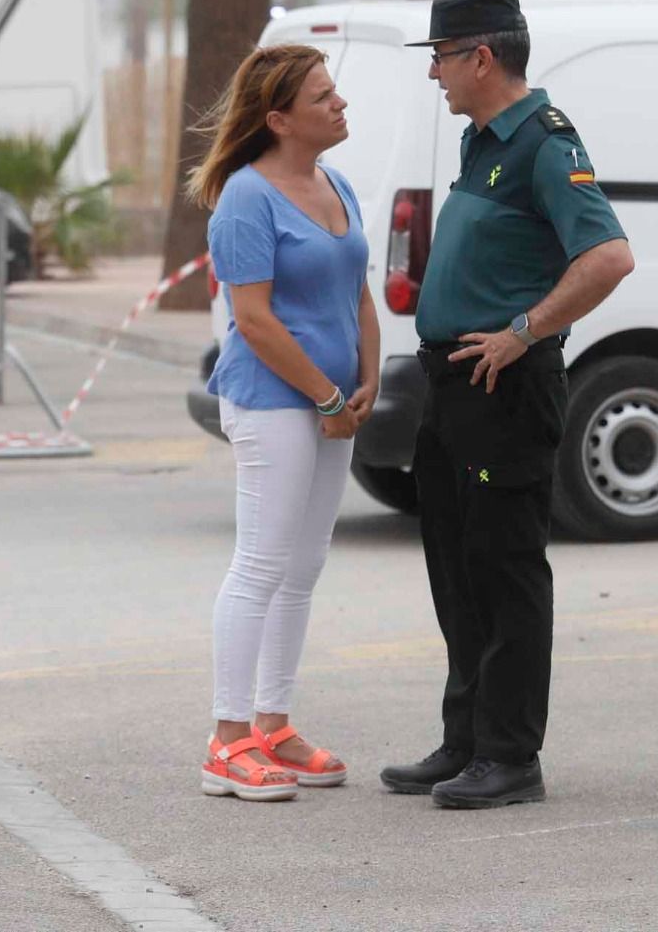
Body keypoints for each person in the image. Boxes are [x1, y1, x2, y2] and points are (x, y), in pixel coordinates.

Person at [380, 0, 633, 809]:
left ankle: (511, 755)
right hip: (451, 383)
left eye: (441, 57)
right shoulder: (480, 141)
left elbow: (608, 256)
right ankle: (466, 742)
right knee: (457, 568)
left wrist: (524, 330)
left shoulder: (544, 145)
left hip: (505, 386)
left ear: (481, 57)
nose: (434, 73)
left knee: (505, 570)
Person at [191, 44, 379, 802]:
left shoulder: (337, 184)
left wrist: (368, 379)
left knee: (304, 567)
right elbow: (255, 320)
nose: (340, 105)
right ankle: (226, 740)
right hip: (273, 401)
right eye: (323, 97)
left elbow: (357, 294)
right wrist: (329, 398)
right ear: (278, 119)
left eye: (336, 92)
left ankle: (273, 724)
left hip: (335, 402)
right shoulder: (245, 197)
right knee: (262, 564)